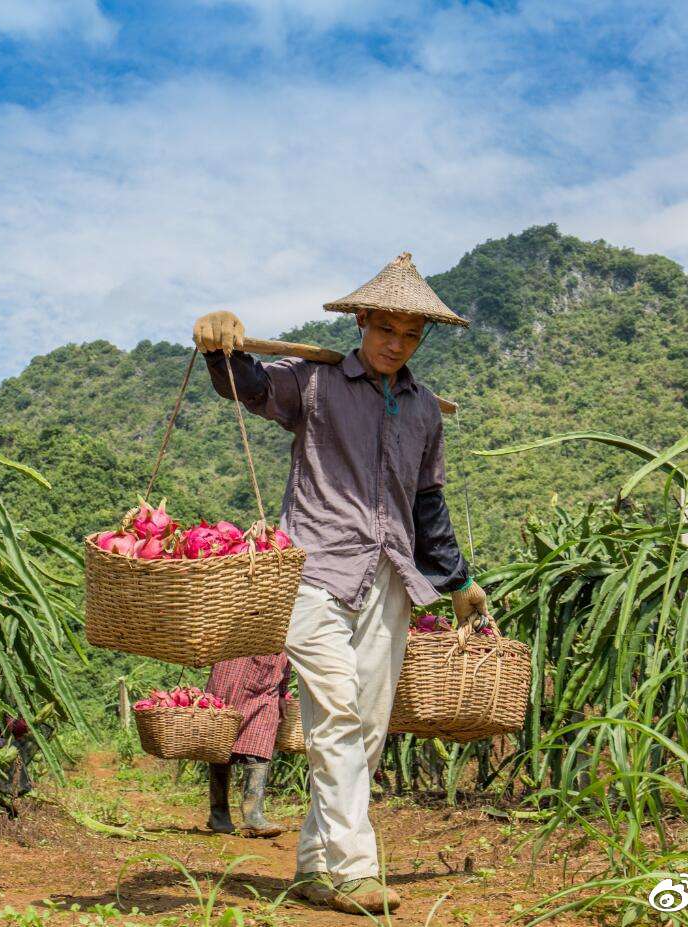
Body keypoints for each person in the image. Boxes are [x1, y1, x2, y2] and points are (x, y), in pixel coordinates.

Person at [192, 253, 489, 915]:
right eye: (386, 329)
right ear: (361, 320)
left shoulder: (424, 412)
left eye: (410, 336)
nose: (396, 344)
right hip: (316, 573)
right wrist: (220, 348)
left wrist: (460, 579)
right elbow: (250, 386)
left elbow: (428, 506)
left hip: (389, 581)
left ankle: (311, 867)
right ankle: (356, 869)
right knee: (339, 716)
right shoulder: (316, 384)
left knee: (367, 731)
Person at [204, 653, 291, 837]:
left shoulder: (285, 625)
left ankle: (253, 815)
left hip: (266, 683)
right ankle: (219, 814)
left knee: (262, 743)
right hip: (230, 676)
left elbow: (289, 652)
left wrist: (283, 692)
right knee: (221, 746)